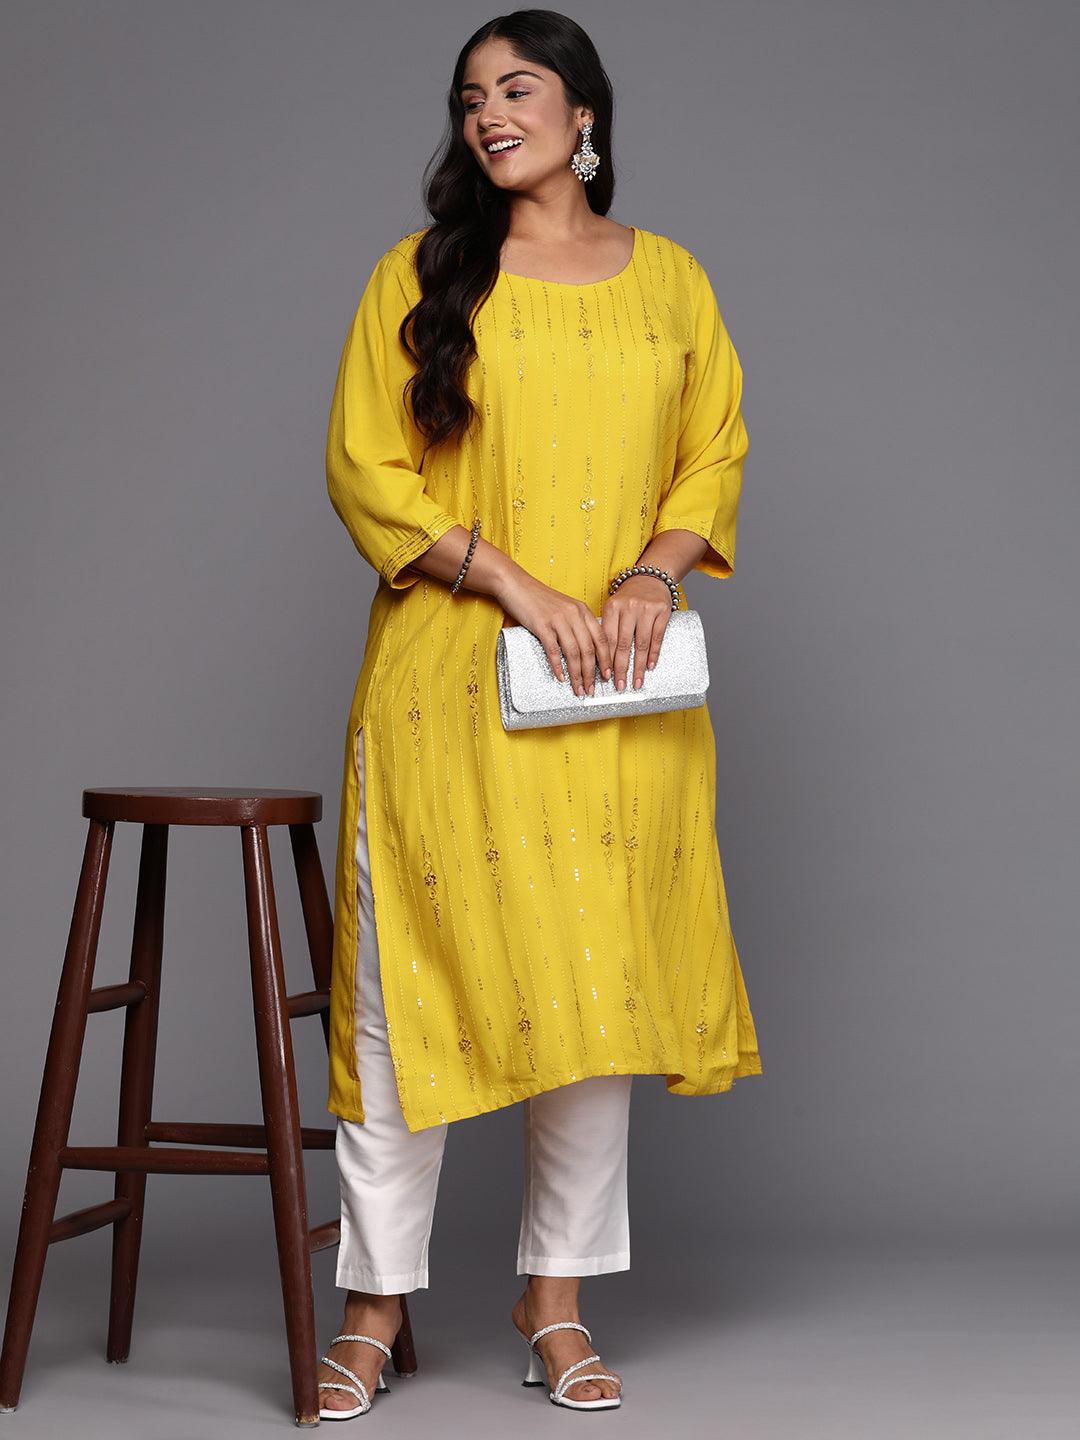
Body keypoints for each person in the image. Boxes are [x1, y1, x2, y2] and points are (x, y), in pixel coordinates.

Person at [318, 9, 763, 1419]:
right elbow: (368, 469)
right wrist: (513, 582)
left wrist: (645, 576)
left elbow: (713, 451)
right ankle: (373, 1305)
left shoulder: (671, 280)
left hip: (613, 694)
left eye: (518, 88)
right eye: (470, 98)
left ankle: (555, 1302)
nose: (489, 114)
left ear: (586, 116)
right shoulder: (418, 275)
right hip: (451, 684)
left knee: (594, 992)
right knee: (406, 992)